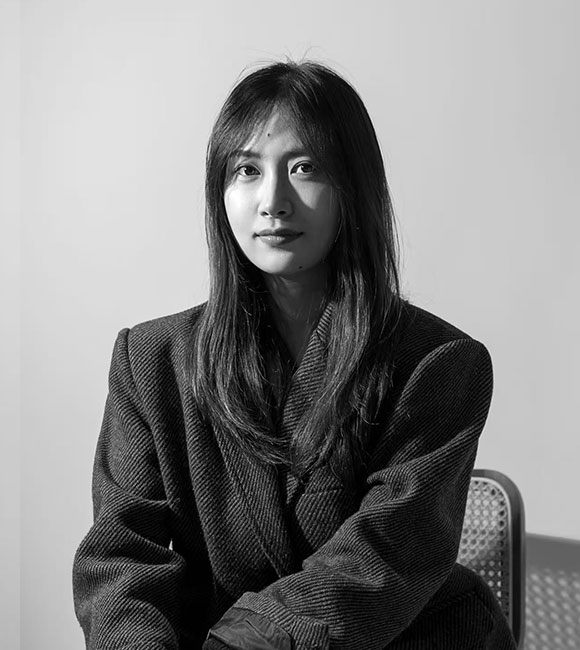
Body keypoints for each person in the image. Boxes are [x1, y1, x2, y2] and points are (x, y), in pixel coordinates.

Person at [73, 60, 516, 649]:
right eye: (247, 170)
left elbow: (380, 561)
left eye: (304, 167)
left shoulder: (438, 362)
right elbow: (122, 561)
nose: (273, 201)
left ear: (353, 185)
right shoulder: (151, 361)